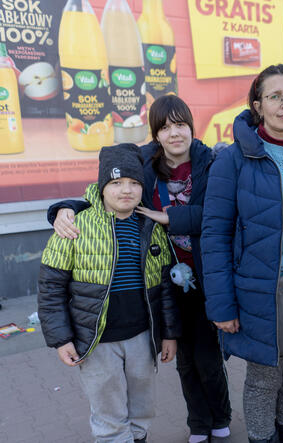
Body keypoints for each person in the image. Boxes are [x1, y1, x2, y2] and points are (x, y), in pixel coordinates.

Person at [48, 95, 232, 443]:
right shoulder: (145, 165)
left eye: (180, 125)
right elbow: (107, 191)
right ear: (156, 135)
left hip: (208, 276)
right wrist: (63, 208)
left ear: (192, 127)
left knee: (208, 357)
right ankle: (197, 423)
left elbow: (218, 213)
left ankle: (219, 415)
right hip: (166, 278)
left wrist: (169, 216)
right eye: (165, 127)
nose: (174, 133)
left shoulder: (213, 162)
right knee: (182, 358)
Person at [200, 64, 283, 443]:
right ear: (258, 104)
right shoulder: (234, 160)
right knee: (264, 379)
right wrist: (222, 308)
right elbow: (215, 236)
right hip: (259, 293)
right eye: (275, 96)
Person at [38, 143, 180, 443]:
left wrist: (169, 333)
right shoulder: (75, 225)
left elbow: (165, 288)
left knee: (143, 407)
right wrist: (60, 338)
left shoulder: (150, 227)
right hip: (97, 342)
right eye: (116, 183)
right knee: (109, 413)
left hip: (143, 337)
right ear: (102, 187)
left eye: (133, 183)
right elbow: (51, 288)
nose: (125, 190)